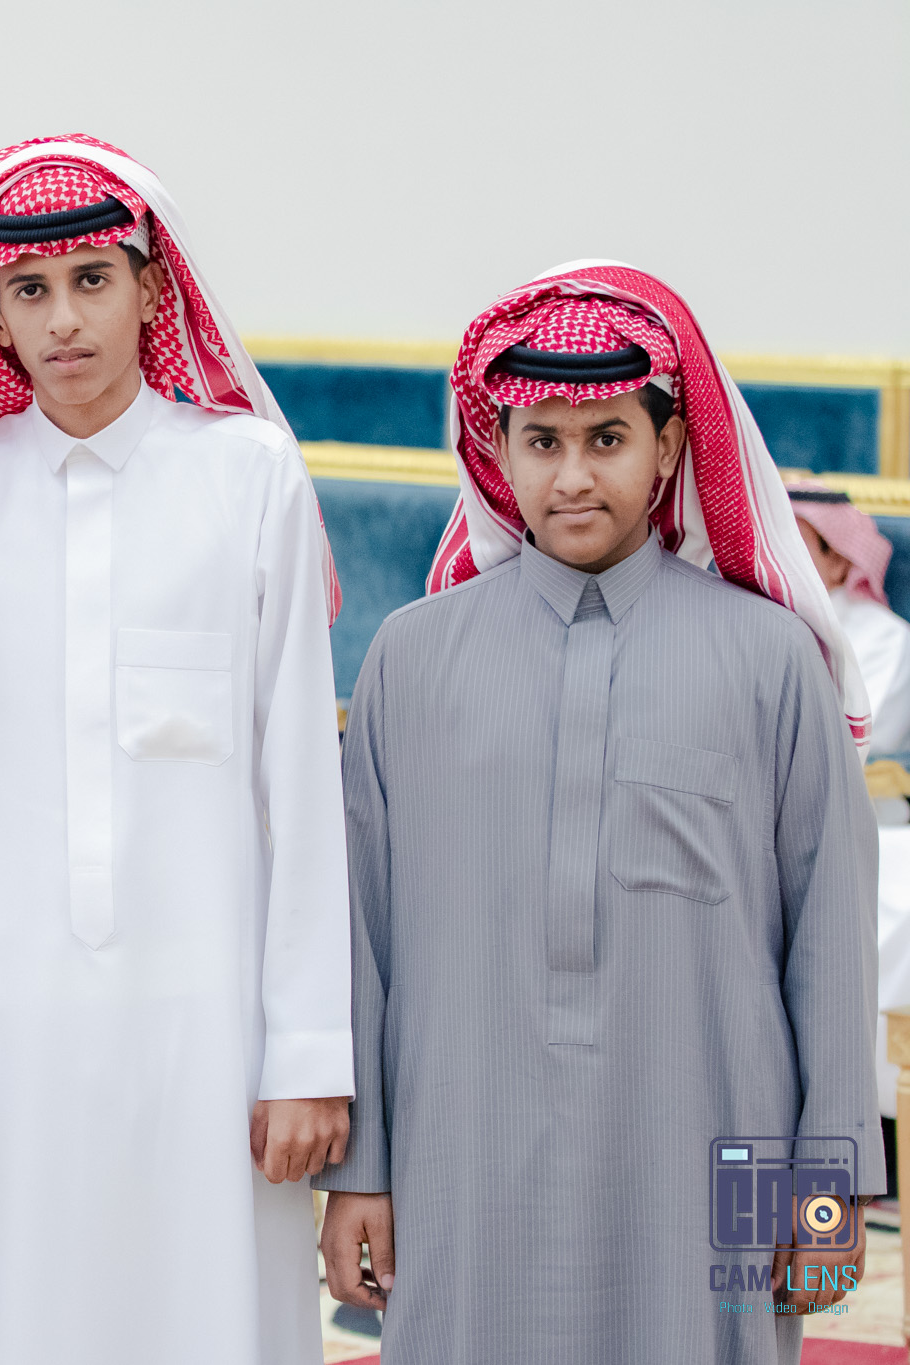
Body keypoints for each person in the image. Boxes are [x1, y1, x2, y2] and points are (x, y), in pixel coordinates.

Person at [316, 262, 880, 1361]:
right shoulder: (411, 660)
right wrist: (360, 1175)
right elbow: (360, 941)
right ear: (497, 451)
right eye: (542, 441)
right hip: (459, 1154)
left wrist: (826, 1192)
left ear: (666, 449)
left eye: (607, 439)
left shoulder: (770, 659)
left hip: (722, 1154)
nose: (572, 476)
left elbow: (828, 936)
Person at [0, 135, 353, 1364]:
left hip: (208, 1017)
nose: (64, 319)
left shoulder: (245, 474)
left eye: (91, 280)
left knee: (205, 1316)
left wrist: (305, 1053)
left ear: (149, 287)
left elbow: (299, 784)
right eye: (28, 290)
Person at [787, 482, 910, 756]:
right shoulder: (760, 624)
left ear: (838, 560)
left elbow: (852, 750)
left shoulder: (885, 638)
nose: (776, 560)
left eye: (792, 546)